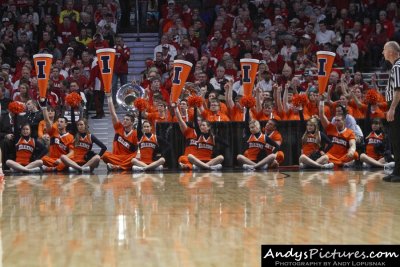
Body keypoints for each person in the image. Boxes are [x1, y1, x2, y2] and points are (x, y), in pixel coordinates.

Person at [101, 93, 138, 171]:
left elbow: (137, 150)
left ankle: (117, 167)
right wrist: (109, 97)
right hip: (116, 157)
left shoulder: (135, 133)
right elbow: (113, 114)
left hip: (128, 157)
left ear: (132, 122)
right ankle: (123, 166)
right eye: (124, 119)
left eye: (127, 120)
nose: (124, 121)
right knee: (105, 155)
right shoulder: (119, 127)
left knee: (136, 156)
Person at [316, 100, 358, 167]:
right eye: (335, 120)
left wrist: (352, 150)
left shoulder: (350, 132)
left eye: (338, 120)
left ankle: (336, 164)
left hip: (342, 157)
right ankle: (341, 164)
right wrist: (321, 101)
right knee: (325, 157)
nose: (336, 122)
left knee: (355, 154)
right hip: (330, 156)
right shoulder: (331, 127)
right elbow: (321, 115)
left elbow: (353, 144)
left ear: (344, 121)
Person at [40, 101, 75, 172]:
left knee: (68, 161)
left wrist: (63, 158)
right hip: (52, 159)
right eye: (58, 121)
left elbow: (72, 152)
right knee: (43, 159)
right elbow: (47, 121)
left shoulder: (70, 137)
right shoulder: (53, 131)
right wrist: (44, 108)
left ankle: (52, 168)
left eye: (61, 122)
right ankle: (57, 168)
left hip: (62, 159)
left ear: (66, 124)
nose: (59, 123)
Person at [383, 41, 400, 182]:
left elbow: (398, 90)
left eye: (384, 49)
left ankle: (399, 172)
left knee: (397, 139)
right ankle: (397, 170)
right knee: (395, 140)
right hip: (396, 104)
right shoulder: (396, 66)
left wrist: (392, 108)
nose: (382, 52)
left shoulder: (397, 67)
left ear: (391, 51)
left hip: (397, 105)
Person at [174, 103, 199, 170]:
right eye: (196, 121)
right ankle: (193, 167)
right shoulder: (189, 131)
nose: (197, 123)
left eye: (200, 121)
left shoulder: (205, 133)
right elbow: (180, 120)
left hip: (199, 157)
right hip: (188, 157)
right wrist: (176, 108)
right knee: (182, 158)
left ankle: (191, 166)